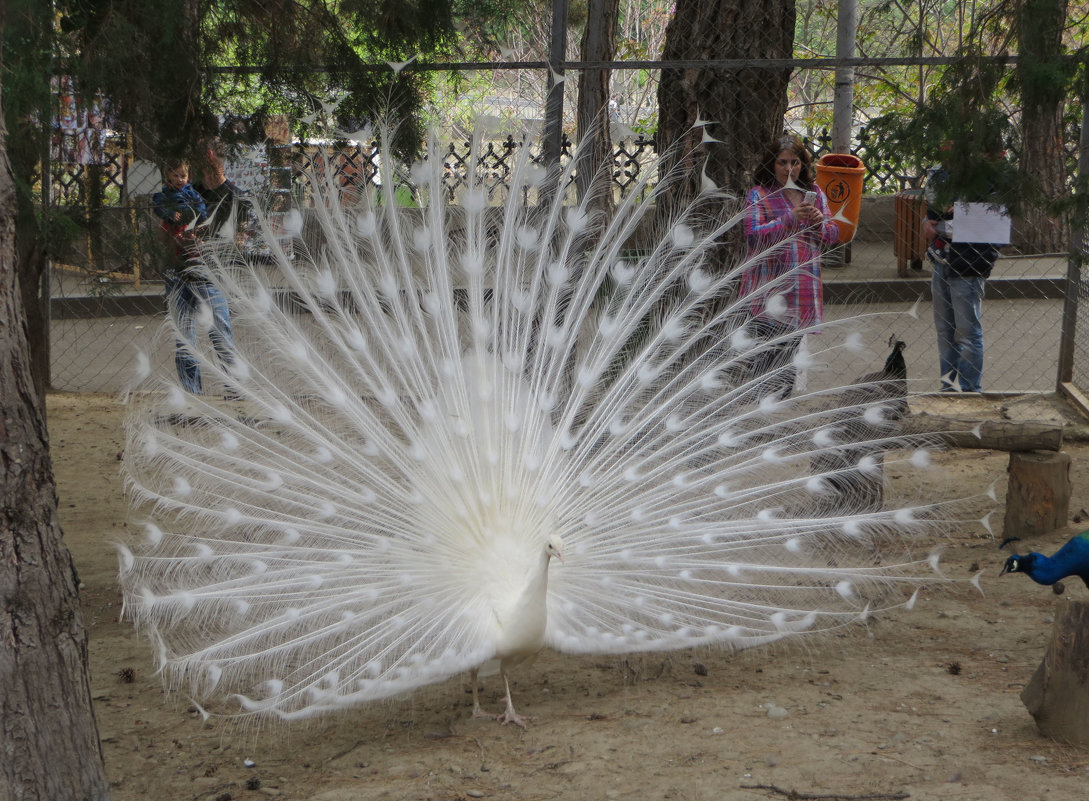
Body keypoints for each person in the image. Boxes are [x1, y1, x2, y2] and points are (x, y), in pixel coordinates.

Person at [742, 136, 839, 398]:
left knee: (788, 357)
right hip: (769, 289)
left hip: (802, 289)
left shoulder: (815, 194)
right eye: (782, 162)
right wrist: (788, 218)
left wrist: (820, 223)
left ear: (802, 164)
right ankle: (758, 406)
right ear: (772, 165)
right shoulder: (760, 195)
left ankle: (780, 405)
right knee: (764, 356)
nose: (788, 169)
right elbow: (753, 235)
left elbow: (832, 235)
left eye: (794, 162)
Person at [152, 157, 235, 395]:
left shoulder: (215, 197)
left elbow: (216, 233)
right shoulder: (164, 199)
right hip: (177, 271)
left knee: (221, 329)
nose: (180, 179)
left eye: (183, 175)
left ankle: (234, 388)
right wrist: (171, 232)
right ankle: (192, 392)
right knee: (184, 336)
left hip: (204, 270)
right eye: (175, 175)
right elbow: (161, 236)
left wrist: (198, 236)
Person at [922, 167, 1004, 393]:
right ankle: (948, 388)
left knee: (967, 332)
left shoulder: (988, 177)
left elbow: (997, 217)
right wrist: (928, 221)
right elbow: (935, 209)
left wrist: (966, 211)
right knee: (945, 330)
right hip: (942, 259)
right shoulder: (941, 174)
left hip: (969, 263)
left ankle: (969, 390)